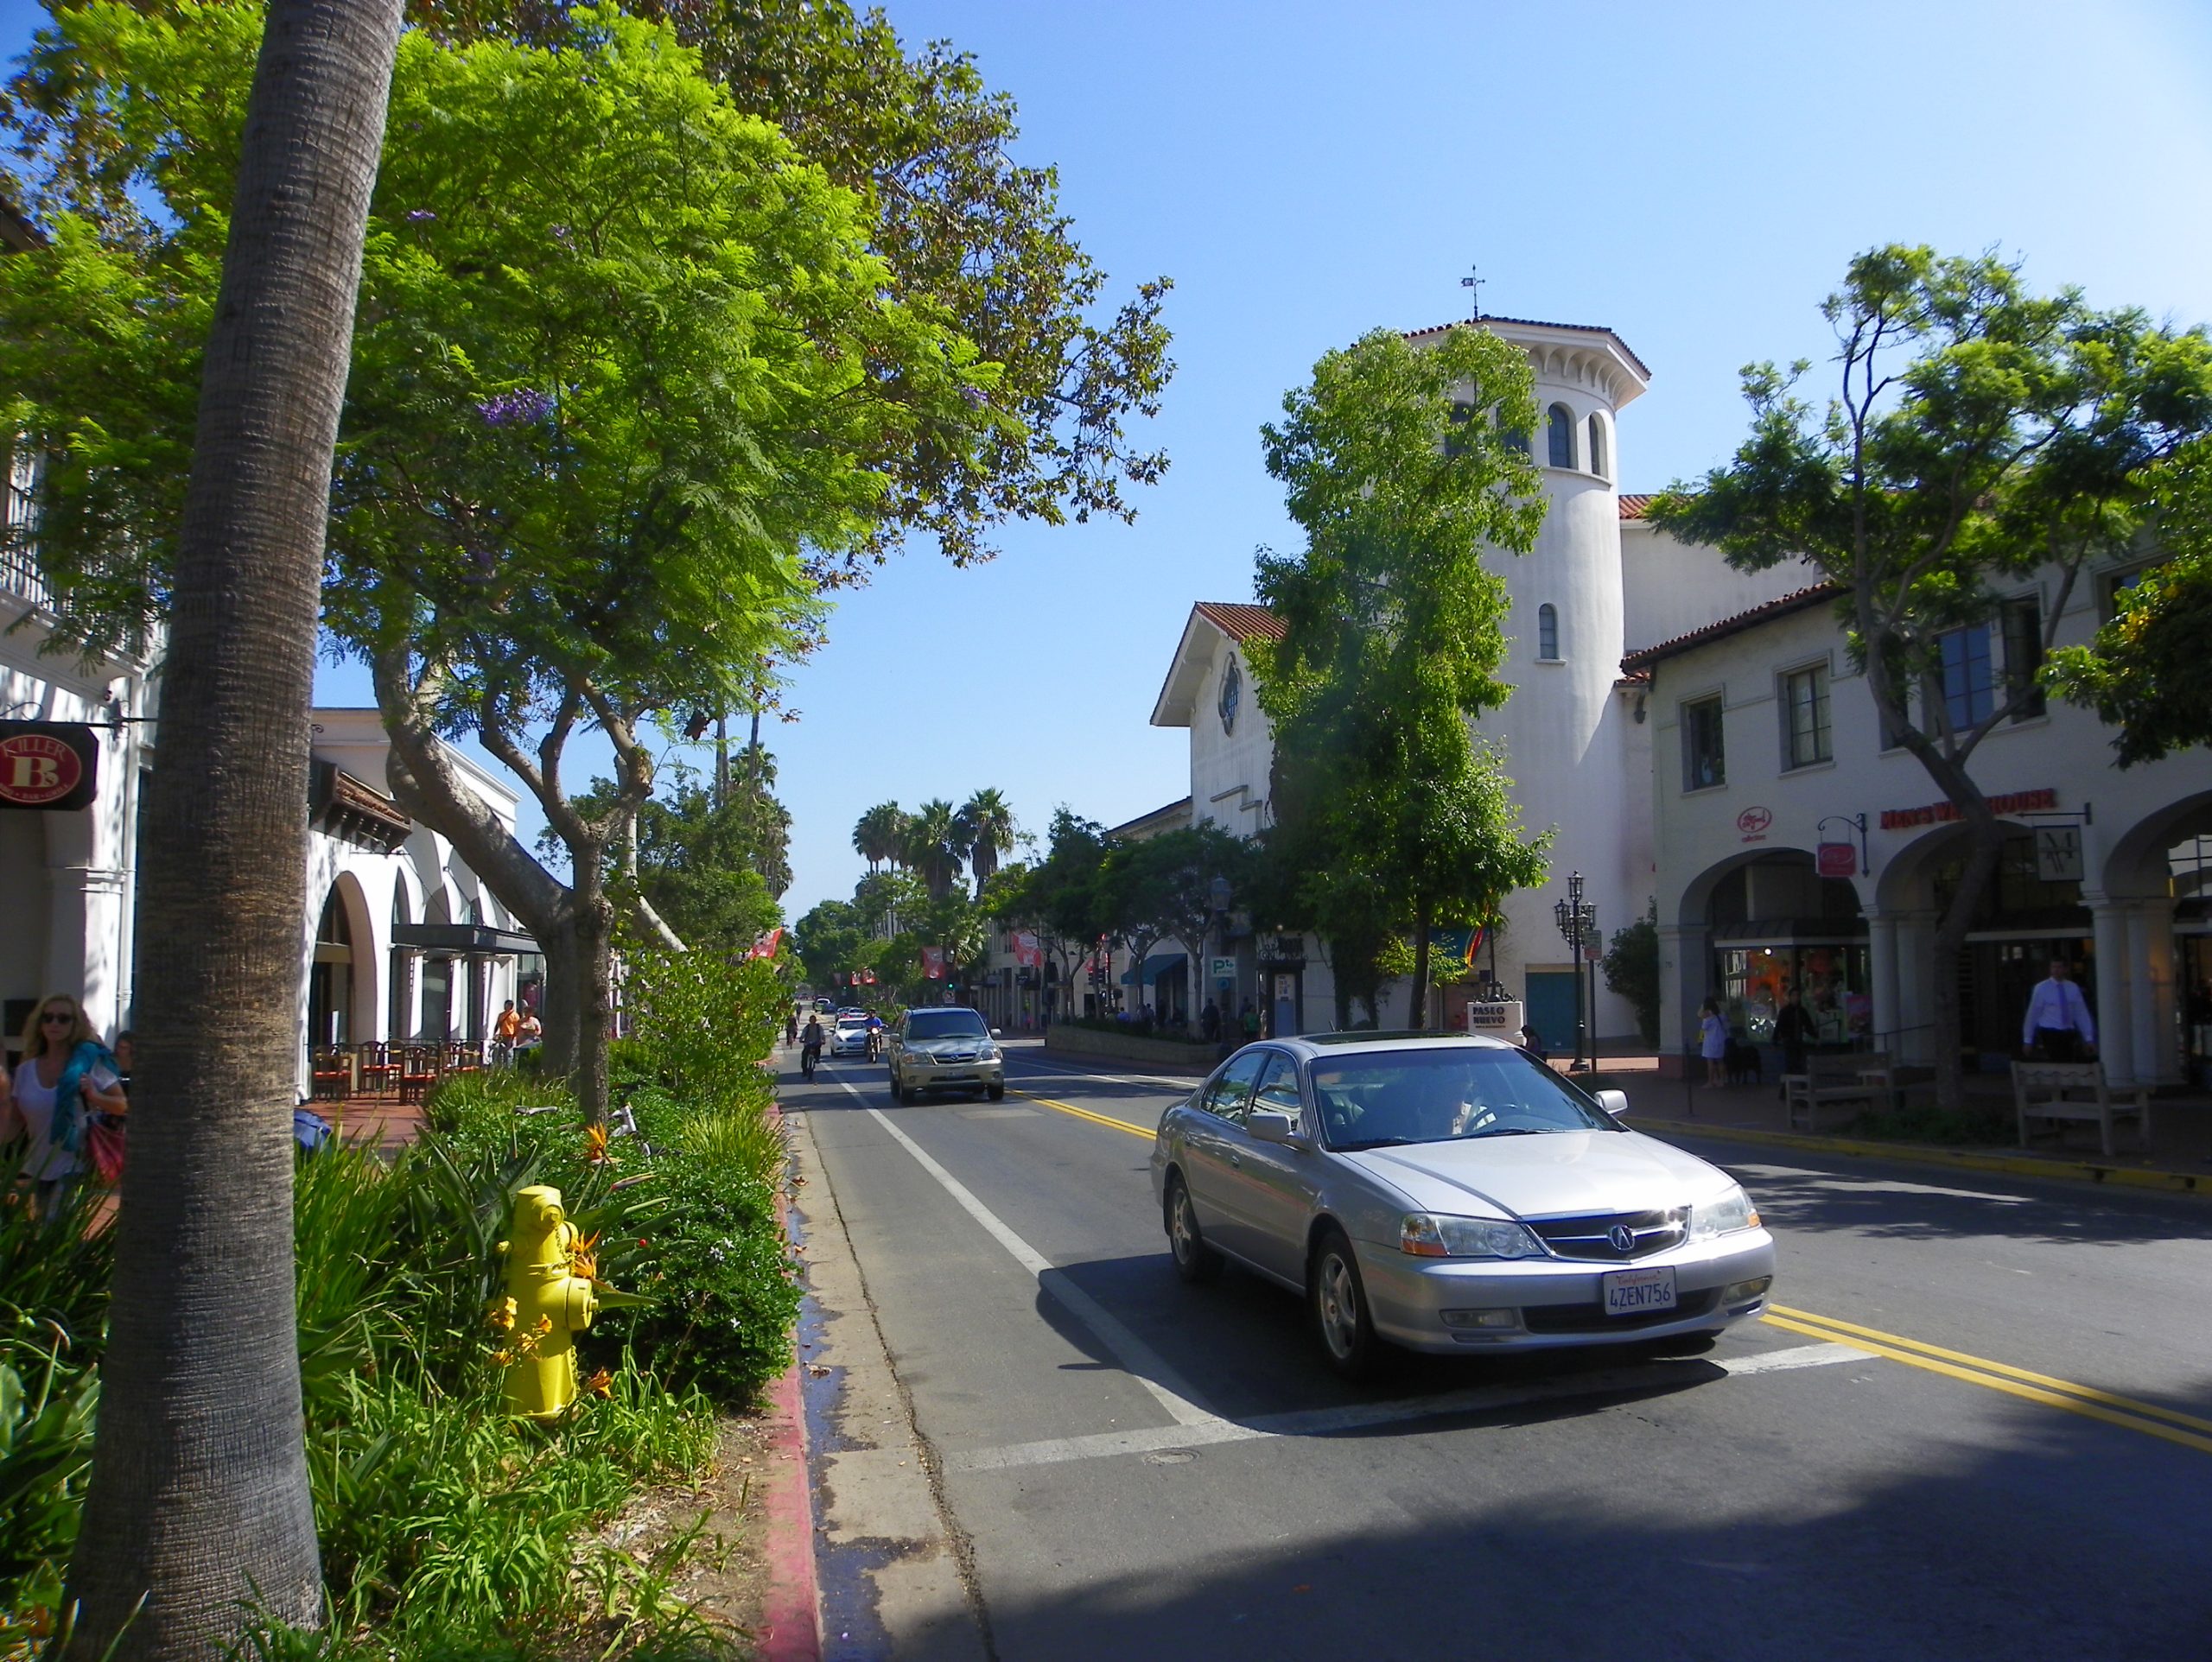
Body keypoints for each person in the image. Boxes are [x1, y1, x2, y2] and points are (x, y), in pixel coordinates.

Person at [3, 994, 124, 1216]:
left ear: (75, 1024)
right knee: (45, 1228)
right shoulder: (25, 1071)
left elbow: (122, 1105)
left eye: (63, 1018)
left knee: (54, 1222)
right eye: (48, 1018)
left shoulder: (88, 1064)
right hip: (39, 1166)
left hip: (76, 1164)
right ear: (40, 1024)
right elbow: (15, 1122)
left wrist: (95, 1096)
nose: (54, 1024)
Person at [2022, 958, 2095, 1062]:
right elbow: (2033, 1014)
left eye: (2059, 967)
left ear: (2065, 969)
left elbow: (2081, 1013)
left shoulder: (2073, 988)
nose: (2056, 970)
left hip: (2068, 1031)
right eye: (2054, 967)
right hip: (2049, 1031)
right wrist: (2028, 1040)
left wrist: (2089, 1038)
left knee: (2068, 1061)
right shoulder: (2041, 988)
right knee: (2056, 1059)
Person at [1773, 986, 1815, 1079]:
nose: (1796, 998)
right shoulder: (1785, 1011)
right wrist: (1775, 1039)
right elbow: (1779, 1026)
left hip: (1799, 1041)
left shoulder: (1802, 1011)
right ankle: (1787, 1085)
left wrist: (1815, 1036)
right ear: (1790, 997)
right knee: (1790, 1065)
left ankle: (1802, 1084)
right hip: (1789, 1041)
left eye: (1797, 996)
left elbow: (1808, 1025)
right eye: (1793, 995)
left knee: (1801, 1065)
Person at [1698, 998, 1728, 1088]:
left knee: (1710, 1062)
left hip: (1710, 1041)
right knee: (1720, 1061)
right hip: (1720, 1040)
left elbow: (1704, 1028)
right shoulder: (1721, 1014)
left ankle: (1710, 1082)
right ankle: (1722, 1080)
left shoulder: (1708, 1018)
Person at [493, 999, 522, 1065]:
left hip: (510, 1036)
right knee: (499, 1051)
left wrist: (513, 1037)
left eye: (507, 1005)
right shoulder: (501, 1015)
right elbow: (497, 1025)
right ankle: (499, 1065)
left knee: (508, 1052)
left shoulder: (515, 1015)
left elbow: (517, 1027)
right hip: (502, 1035)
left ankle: (508, 1066)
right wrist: (494, 1034)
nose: (505, 1006)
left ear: (511, 1006)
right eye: (505, 1005)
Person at [799, 1012, 824, 1080]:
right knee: (804, 1055)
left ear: (815, 1020)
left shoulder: (819, 1027)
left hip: (816, 1043)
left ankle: (817, 1058)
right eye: (811, 1020)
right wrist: (801, 1039)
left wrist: (822, 1040)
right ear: (809, 1020)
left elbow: (822, 1034)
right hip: (808, 1043)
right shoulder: (807, 1027)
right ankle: (804, 1071)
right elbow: (803, 1034)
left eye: (814, 1020)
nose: (812, 1021)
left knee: (818, 1050)